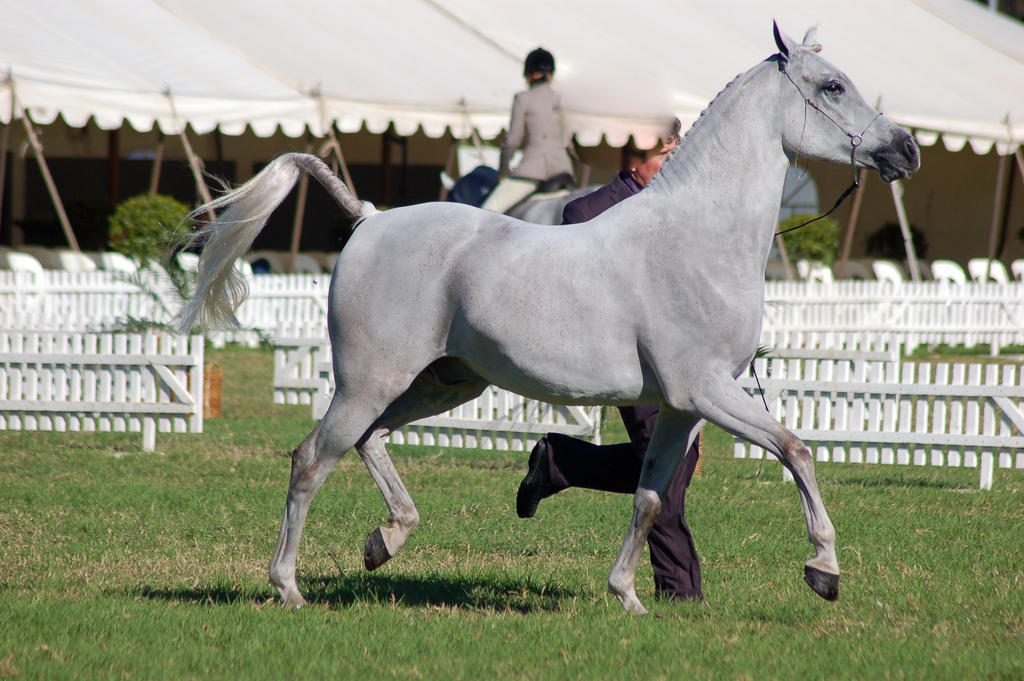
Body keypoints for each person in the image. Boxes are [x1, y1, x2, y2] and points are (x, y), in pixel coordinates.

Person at [516, 121, 704, 602]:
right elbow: (575, 216)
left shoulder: (676, 206)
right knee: (666, 474)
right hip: (630, 362)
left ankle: (561, 462)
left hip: (673, 357)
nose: (671, 167)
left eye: (675, 156)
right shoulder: (599, 206)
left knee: (671, 463)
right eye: (664, 156)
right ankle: (680, 594)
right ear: (635, 159)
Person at [480, 47, 575, 214]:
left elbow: (513, 140)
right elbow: (566, 139)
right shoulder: (562, 99)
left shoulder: (523, 98)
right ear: (551, 74)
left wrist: (503, 169)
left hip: (532, 173)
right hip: (563, 173)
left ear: (528, 74)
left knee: (487, 211)